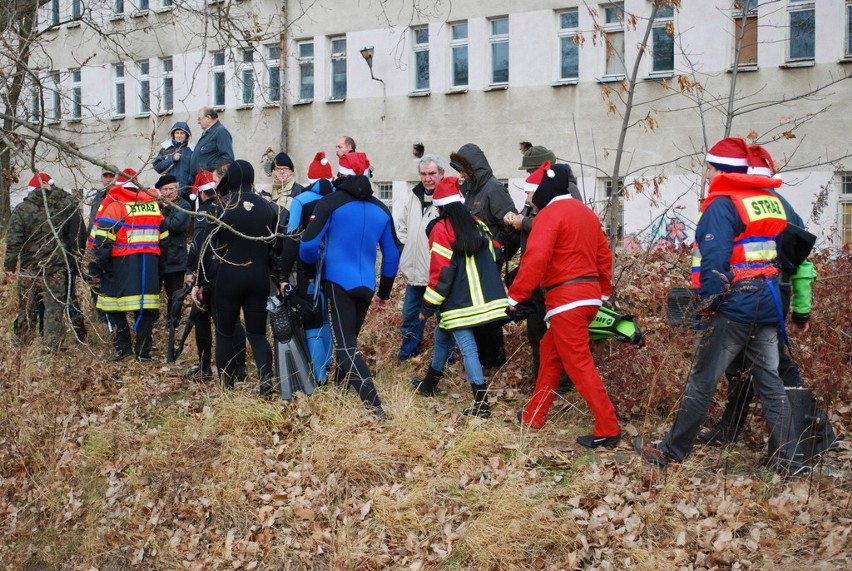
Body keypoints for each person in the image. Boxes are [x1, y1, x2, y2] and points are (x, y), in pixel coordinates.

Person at [633, 137, 800, 477]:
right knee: (770, 382)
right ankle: (792, 460)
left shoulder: (722, 205)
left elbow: (713, 263)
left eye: (709, 167)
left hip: (735, 306)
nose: (707, 173)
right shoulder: (767, 201)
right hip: (768, 302)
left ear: (721, 169)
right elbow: (790, 248)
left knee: (701, 381)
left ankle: (671, 451)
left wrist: (707, 307)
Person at [697, 144, 817, 444]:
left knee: (776, 369)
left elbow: (801, 263)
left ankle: (810, 436)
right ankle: (734, 429)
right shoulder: (774, 203)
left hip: (759, 295)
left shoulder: (759, 204)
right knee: (747, 366)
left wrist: (801, 310)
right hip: (768, 295)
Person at [508, 164, 621, 448]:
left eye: (530, 193)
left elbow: (535, 259)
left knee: (579, 364)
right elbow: (603, 254)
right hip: (588, 297)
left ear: (543, 191)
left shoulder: (549, 216)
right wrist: (603, 291)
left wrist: (515, 296)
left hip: (566, 301)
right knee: (550, 350)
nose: (528, 200)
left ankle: (608, 427)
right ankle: (534, 414)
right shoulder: (586, 213)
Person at [299, 151, 400, 417]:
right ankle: (339, 398)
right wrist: (385, 293)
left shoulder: (330, 203)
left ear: (340, 175)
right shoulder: (381, 208)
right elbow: (391, 256)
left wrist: (310, 272)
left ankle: (375, 405)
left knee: (345, 347)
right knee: (349, 342)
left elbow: (307, 245)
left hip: (337, 281)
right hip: (366, 284)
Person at [413, 177, 509, 418]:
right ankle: (429, 385)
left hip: (459, 304)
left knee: (468, 349)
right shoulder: (478, 225)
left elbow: (441, 273)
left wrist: (427, 306)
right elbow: (498, 253)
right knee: (441, 336)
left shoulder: (441, 229)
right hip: (486, 301)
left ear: (439, 206)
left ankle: (481, 404)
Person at [193, 160, 279, 395]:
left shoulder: (220, 206)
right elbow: (275, 245)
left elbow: (205, 246)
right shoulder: (268, 207)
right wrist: (275, 274)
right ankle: (265, 380)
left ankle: (227, 386)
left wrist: (199, 281)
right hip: (258, 276)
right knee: (257, 333)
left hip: (229, 276)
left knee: (224, 332)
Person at [449, 143, 518, 368]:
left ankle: (494, 362)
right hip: (472, 264)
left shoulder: (493, 189)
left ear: (474, 168)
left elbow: (512, 228)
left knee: (489, 314)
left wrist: (497, 256)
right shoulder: (470, 188)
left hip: (487, 264)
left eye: (463, 170)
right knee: (476, 313)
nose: (460, 175)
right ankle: (479, 360)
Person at [5, 173, 86, 351]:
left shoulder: (22, 209)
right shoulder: (62, 207)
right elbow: (71, 203)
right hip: (55, 269)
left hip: (30, 269)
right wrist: (54, 190)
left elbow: (14, 240)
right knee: (53, 310)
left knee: (27, 308)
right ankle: (52, 346)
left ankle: (22, 346)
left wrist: (9, 265)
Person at [88, 168, 163, 361]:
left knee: (112, 307)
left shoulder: (114, 203)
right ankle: (143, 353)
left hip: (119, 265)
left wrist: (96, 269)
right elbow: (163, 237)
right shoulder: (152, 204)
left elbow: (103, 241)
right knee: (146, 309)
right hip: (149, 266)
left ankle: (124, 349)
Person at [396, 153, 445, 362]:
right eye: (423, 174)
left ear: (441, 174)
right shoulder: (413, 196)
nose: (427, 178)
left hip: (439, 273)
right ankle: (408, 353)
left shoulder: (448, 198)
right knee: (410, 317)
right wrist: (407, 250)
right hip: (415, 271)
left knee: (445, 319)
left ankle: (445, 359)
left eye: (432, 173)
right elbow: (402, 227)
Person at [155, 174, 191, 359]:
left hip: (176, 261)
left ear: (177, 189)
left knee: (174, 297)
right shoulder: (155, 204)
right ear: (159, 191)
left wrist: (160, 216)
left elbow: (177, 225)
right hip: (156, 258)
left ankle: (173, 327)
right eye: (165, 190)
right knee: (153, 294)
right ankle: (155, 327)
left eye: (171, 189)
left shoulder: (184, 205)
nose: (169, 193)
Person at [153, 122, 194, 198]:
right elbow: (157, 167)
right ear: (173, 134)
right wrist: (172, 159)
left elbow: (195, 171)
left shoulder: (192, 150)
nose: (179, 135)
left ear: (187, 135)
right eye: (177, 133)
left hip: (186, 192)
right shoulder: (166, 149)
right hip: (169, 192)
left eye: (182, 133)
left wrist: (189, 185)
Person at [189, 108, 234, 175]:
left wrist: (206, 168)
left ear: (208, 118)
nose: (198, 122)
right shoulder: (208, 133)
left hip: (210, 180)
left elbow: (227, 159)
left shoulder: (220, 132)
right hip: (201, 179)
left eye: (199, 119)